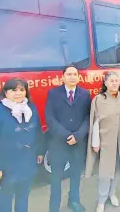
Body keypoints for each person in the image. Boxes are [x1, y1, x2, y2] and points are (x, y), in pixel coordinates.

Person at [0, 78, 44, 212]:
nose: (18, 93)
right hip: (5, 168)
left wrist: (39, 151)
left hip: (26, 164)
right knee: (4, 203)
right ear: (5, 92)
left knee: (23, 198)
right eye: (13, 90)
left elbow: (38, 131)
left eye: (22, 90)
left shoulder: (30, 108)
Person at [85, 72, 120, 212]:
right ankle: (101, 199)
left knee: (118, 168)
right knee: (105, 172)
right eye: (111, 81)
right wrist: (95, 142)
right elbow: (94, 122)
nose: (114, 83)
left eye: (116, 81)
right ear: (105, 83)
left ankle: (112, 194)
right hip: (105, 142)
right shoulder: (98, 100)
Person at [45, 65, 91, 212]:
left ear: (79, 77)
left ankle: (74, 201)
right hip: (59, 143)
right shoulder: (53, 94)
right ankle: (54, 207)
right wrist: (65, 135)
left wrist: (78, 135)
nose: (72, 77)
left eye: (75, 74)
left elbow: (88, 117)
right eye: (69, 74)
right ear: (63, 77)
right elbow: (50, 118)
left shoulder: (85, 94)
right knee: (56, 177)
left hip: (78, 142)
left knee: (76, 174)